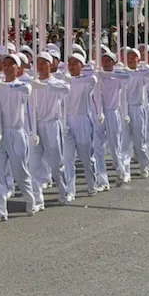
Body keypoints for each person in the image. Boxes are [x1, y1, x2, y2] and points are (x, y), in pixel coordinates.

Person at [0, 54, 37, 218]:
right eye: (5, 64)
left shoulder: (23, 85)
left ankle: (30, 200)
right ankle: (1, 210)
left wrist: (3, 86)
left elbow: (26, 90)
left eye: (11, 64)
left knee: (20, 173)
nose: (7, 67)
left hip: (17, 133)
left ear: (18, 68)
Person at [29, 52, 71, 209]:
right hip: (35, 125)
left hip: (52, 125)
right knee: (33, 165)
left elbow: (66, 88)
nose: (40, 66)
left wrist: (45, 85)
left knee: (56, 163)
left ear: (50, 64)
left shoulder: (57, 82)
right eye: (38, 62)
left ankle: (63, 191)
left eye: (43, 62)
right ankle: (37, 199)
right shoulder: (32, 83)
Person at [62, 53, 102, 202]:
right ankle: (70, 190)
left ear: (82, 66)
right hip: (67, 122)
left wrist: (68, 79)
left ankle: (92, 185)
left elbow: (92, 79)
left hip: (83, 121)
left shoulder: (89, 80)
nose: (71, 66)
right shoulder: (64, 81)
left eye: (75, 63)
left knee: (86, 158)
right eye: (70, 63)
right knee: (68, 159)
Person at [95, 49, 131, 186]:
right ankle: (102, 179)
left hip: (113, 112)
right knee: (97, 147)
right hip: (98, 113)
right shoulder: (97, 75)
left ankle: (121, 171)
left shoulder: (118, 76)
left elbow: (128, 76)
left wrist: (108, 73)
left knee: (115, 146)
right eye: (103, 60)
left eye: (108, 60)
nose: (105, 62)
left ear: (114, 62)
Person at [123, 48, 149, 180]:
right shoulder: (122, 72)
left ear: (138, 59)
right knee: (124, 143)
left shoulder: (142, 74)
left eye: (133, 57)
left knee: (139, 142)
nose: (130, 60)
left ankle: (145, 166)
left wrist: (141, 66)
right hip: (124, 109)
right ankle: (125, 171)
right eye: (128, 57)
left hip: (137, 109)